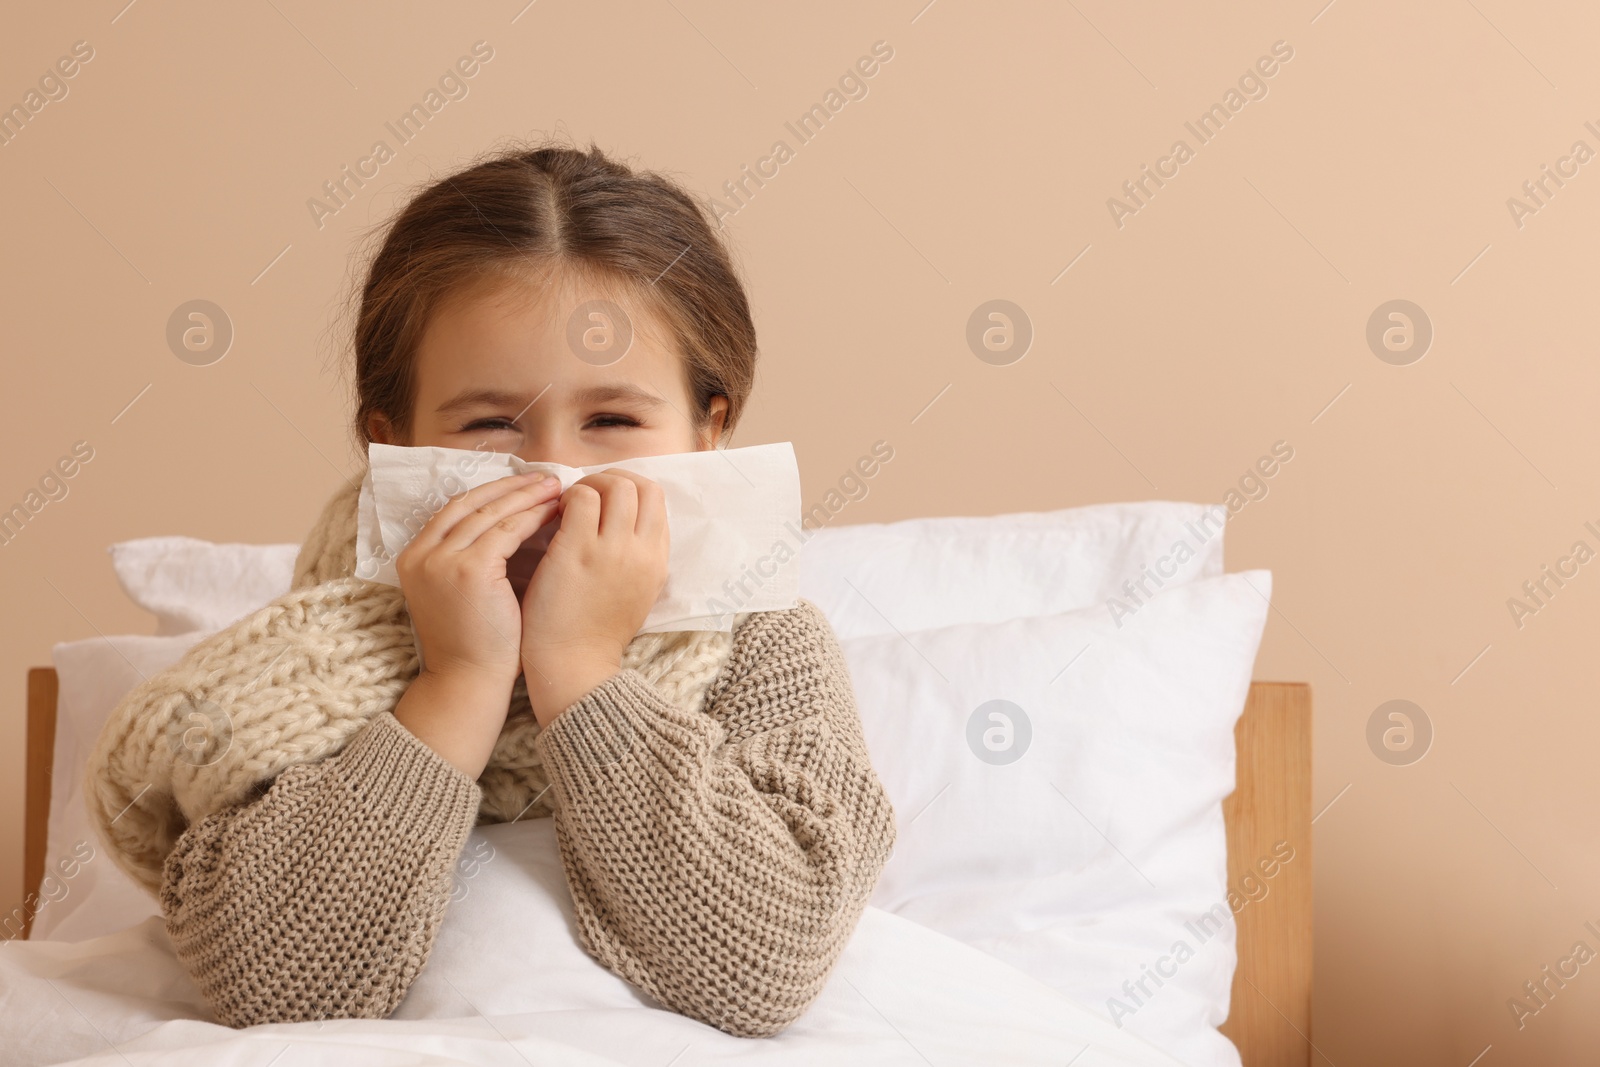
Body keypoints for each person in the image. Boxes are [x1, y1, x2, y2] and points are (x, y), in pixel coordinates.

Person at [82, 139, 897, 1039]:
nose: (553, 470)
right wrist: (459, 680)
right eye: (490, 424)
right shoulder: (302, 665)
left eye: (613, 419)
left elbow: (767, 959)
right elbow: (272, 990)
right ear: (392, 444)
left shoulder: (763, 642)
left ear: (708, 435)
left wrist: (579, 667)